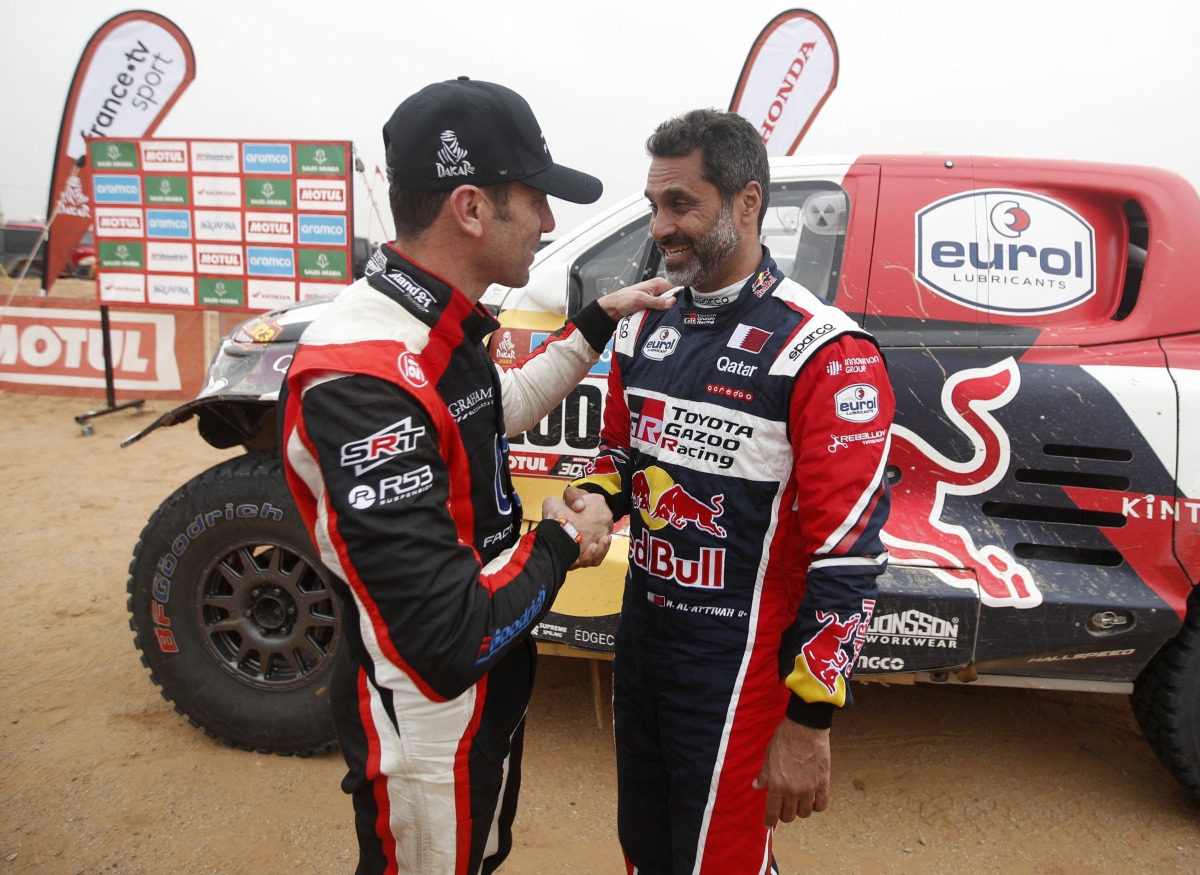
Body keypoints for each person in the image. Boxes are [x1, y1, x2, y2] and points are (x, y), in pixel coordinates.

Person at [279, 77, 674, 875]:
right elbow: (447, 640)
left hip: (486, 683)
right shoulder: (363, 372)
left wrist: (600, 318)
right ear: (471, 208)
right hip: (431, 714)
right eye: (535, 200)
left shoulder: (434, 317)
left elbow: (497, 409)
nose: (551, 223)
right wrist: (565, 537)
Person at [566, 108, 895, 873]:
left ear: (748, 203)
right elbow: (620, 458)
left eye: (682, 204)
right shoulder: (648, 327)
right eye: (654, 205)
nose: (662, 225)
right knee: (648, 852)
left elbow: (845, 558)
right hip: (643, 644)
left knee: (722, 861)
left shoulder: (823, 348)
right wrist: (594, 499)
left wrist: (809, 720)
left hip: (738, 665)